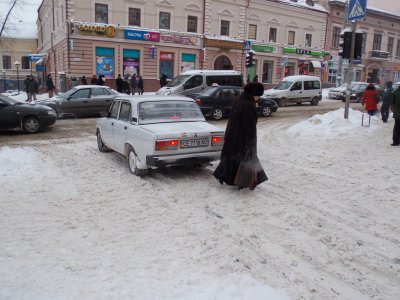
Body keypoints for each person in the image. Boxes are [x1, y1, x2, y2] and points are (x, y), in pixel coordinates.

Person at [213, 82, 268, 190]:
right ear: (253, 94)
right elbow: (249, 125)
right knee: (245, 160)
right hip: (242, 138)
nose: (258, 98)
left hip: (232, 134)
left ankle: (222, 175)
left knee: (230, 157)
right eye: (258, 95)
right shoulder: (249, 104)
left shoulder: (238, 100)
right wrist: (250, 141)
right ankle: (244, 181)